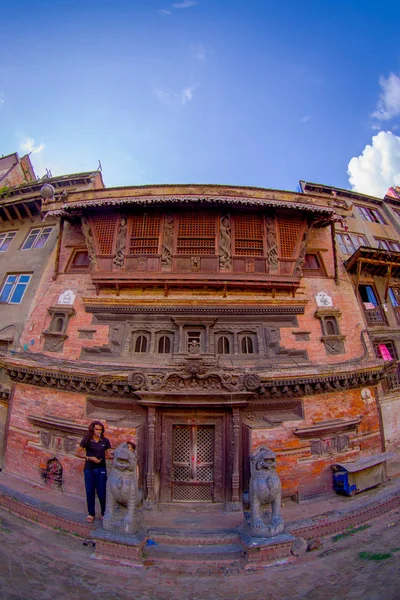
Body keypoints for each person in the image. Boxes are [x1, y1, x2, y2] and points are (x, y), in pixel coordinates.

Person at [75, 421, 113, 523]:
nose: (98, 431)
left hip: (101, 468)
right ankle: (91, 513)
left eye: (100, 429)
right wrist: (89, 458)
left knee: (101, 492)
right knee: (90, 491)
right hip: (89, 468)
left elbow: (109, 455)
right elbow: (77, 453)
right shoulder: (87, 440)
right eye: (96, 429)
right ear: (92, 429)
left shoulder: (105, 441)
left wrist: (120, 456)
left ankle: (104, 513)